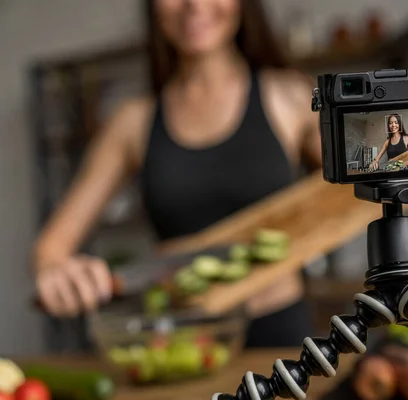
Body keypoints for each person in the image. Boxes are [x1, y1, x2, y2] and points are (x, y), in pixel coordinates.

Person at [32, 0, 322, 348]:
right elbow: (51, 248)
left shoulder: (292, 96)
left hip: (280, 333)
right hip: (181, 341)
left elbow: (361, 186)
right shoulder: (132, 122)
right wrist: (56, 271)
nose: (195, 5)